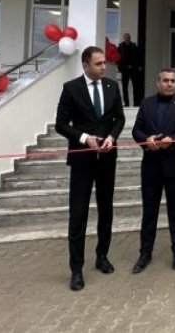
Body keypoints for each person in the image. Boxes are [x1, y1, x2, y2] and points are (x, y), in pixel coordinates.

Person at [55, 46, 125, 291]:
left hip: (107, 159)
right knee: (78, 214)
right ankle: (76, 269)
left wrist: (111, 138)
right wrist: (84, 138)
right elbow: (60, 125)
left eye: (104, 63)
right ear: (86, 65)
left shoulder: (112, 86)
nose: (104, 67)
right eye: (98, 64)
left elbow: (120, 119)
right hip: (82, 161)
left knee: (106, 211)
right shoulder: (71, 88)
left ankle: (102, 256)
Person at [130, 69, 175, 274]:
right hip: (151, 167)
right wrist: (146, 140)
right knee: (149, 212)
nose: (170, 84)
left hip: (173, 166)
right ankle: (145, 253)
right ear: (158, 82)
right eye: (165, 80)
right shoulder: (146, 104)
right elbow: (136, 130)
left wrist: (171, 140)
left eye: (173, 81)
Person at [117, 33, 142, 107]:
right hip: (124, 70)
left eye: (128, 38)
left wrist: (139, 66)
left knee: (136, 87)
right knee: (124, 87)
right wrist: (119, 67)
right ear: (123, 38)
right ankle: (126, 103)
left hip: (134, 69)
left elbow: (139, 57)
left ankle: (136, 103)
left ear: (130, 38)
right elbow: (118, 58)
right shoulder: (120, 47)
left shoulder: (134, 46)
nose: (127, 39)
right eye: (125, 38)